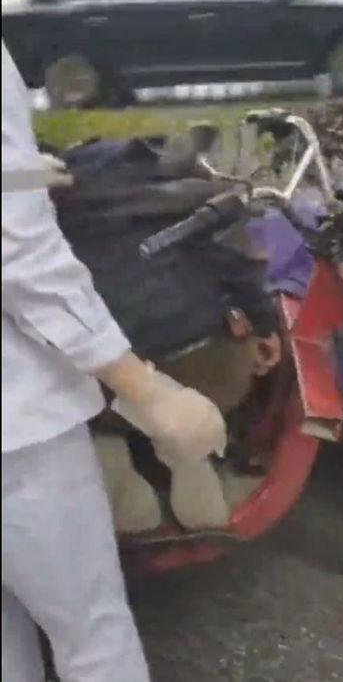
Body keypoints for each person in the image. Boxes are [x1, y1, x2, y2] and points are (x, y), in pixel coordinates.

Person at [1, 39, 227, 682]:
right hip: (17, 431)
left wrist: (21, 172)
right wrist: (144, 388)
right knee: (91, 635)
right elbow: (21, 257)